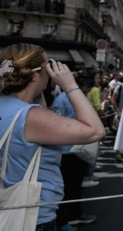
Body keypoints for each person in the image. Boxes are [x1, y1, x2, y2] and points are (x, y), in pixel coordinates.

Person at [0, 44, 105, 230]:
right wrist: (70, 86)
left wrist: (35, 89)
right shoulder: (31, 118)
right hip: (33, 217)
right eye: (47, 66)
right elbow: (96, 131)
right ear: (34, 75)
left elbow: (38, 109)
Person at [51, 73, 98, 229]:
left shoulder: (80, 100)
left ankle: (75, 213)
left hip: (79, 149)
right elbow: (56, 126)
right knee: (65, 188)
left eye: (86, 92)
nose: (85, 94)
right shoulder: (62, 100)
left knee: (76, 185)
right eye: (84, 91)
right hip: (65, 151)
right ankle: (64, 220)